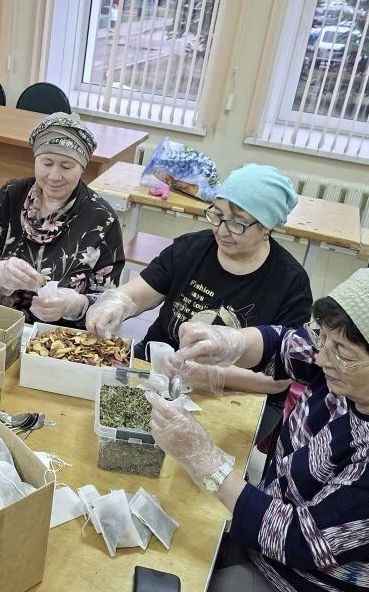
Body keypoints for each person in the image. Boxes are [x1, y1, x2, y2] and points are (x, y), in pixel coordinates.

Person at [148, 264, 369, 592]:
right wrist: (229, 343)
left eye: (341, 353)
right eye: (324, 337)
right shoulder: (363, 358)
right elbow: (286, 346)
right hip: (276, 533)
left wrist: (207, 463)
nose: (322, 358)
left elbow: (302, 541)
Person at [85, 163, 312, 440]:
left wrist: (212, 375)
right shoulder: (192, 248)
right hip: (159, 369)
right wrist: (117, 303)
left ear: (266, 227)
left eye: (237, 222)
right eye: (217, 215)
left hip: (238, 391)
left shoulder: (290, 282)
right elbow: (139, 293)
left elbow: (279, 380)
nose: (222, 230)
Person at [0, 112, 125, 326]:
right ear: (35, 160)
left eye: (66, 166)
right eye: (46, 163)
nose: (54, 176)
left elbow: (108, 302)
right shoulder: (12, 194)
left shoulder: (101, 218)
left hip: (58, 331)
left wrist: (74, 304)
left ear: (82, 168)